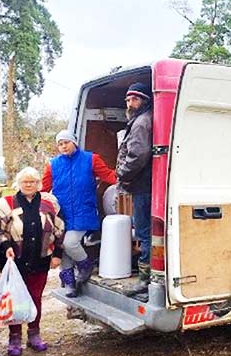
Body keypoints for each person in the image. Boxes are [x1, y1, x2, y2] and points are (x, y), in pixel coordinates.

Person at [0, 166, 64, 356]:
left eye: (32, 182)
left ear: (38, 184)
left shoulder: (49, 204)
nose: (29, 185)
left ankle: (34, 334)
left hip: (40, 259)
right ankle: (14, 337)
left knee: (35, 297)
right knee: (15, 299)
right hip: (14, 260)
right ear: (19, 183)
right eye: (25, 181)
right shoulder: (6, 203)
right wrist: (6, 245)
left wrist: (57, 253)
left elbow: (59, 229)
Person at [41, 129, 116, 297]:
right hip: (62, 214)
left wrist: (129, 179)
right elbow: (43, 189)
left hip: (84, 212)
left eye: (66, 142)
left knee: (70, 243)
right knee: (62, 247)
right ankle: (69, 283)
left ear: (74, 142)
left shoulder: (91, 159)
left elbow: (109, 176)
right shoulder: (53, 165)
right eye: (60, 144)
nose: (63, 146)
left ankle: (85, 265)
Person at [116, 82, 153, 295]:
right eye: (128, 100)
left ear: (144, 100)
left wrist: (122, 173)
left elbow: (138, 155)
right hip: (144, 185)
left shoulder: (140, 123)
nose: (130, 103)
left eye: (135, 99)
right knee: (144, 231)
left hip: (142, 186)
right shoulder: (142, 119)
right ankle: (146, 277)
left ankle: (145, 280)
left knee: (144, 232)